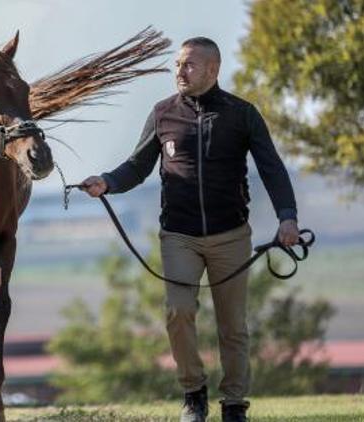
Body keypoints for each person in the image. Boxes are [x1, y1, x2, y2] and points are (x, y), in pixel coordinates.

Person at [80, 37, 300, 422]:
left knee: (233, 326)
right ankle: (193, 394)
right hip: (178, 235)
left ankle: (234, 404)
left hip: (231, 234)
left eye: (189, 65)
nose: (179, 72)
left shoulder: (242, 114)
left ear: (213, 70)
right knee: (178, 311)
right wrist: (107, 182)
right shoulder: (163, 113)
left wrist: (287, 217)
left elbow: (272, 167)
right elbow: (137, 165)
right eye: (177, 64)